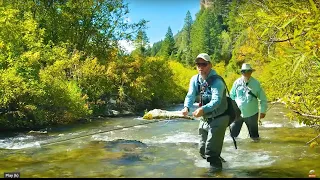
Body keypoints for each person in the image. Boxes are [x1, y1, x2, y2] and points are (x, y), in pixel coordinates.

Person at [181, 53, 229, 172]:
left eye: (204, 64)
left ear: (210, 65)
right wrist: (186, 107)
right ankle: (223, 164)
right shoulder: (194, 79)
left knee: (211, 152)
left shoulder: (217, 81)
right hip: (205, 118)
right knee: (202, 150)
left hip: (220, 117)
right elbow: (191, 95)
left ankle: (216, 173)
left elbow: (216, 101)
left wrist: (202, 110)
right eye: (198, 64)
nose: (200, 67)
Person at [229, 63, 268, 142]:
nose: (246, 73)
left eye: (248, 71)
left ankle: (256, 152)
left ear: (251, 72)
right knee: (232, 137)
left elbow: (263, 99)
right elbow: (231, 97)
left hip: (252, 114)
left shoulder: (256, 84)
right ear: (241, 72)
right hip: (237, 114)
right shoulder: (236, 83)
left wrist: (263, 111)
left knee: (255, 138)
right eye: (244, 71)